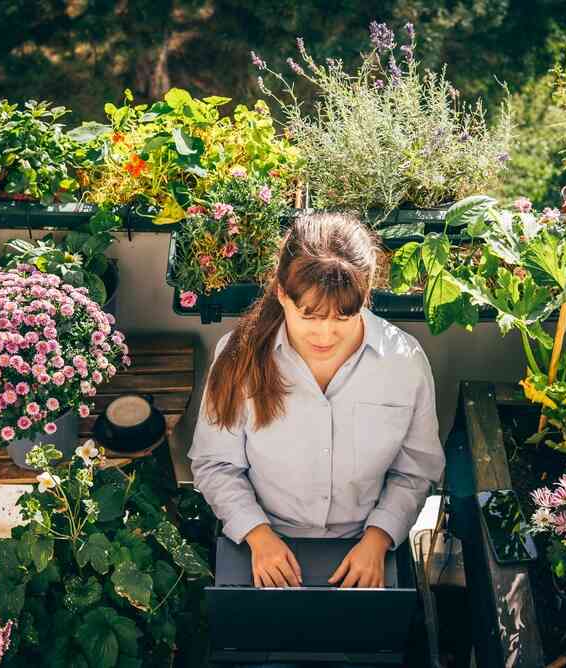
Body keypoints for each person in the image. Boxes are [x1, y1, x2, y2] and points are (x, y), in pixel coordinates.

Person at [189, 212, 445, 601]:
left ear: (366, 295)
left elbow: (416, 470)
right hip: (261, 542)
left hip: (365, 544)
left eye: (344, 316)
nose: (325, 334)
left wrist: (378, 539)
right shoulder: (236, 357)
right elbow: (215, 464)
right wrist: (258, 535)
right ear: (280, 293)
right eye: (308, 315)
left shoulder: (404, 362)